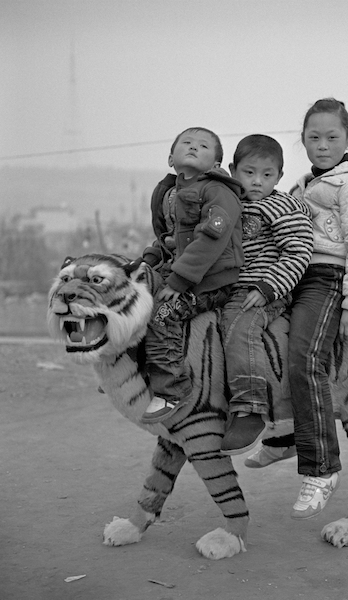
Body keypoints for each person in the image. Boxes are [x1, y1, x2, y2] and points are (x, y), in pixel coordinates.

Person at [286, 98, 348, 519]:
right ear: (302, 140)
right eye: (313, 137)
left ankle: (321, 468)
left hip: (328, 278)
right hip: (293, 276)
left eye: (332, 137)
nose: (322, 145)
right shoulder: (301, 184)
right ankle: (276, 439)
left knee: (305, 360)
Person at [140, 127, 244, 424]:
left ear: (216, 165)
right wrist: (148, 261)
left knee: (163, 313)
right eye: (186, 143)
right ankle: (133, 369)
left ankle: (172, 389)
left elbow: (212, 237)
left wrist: (180, 279)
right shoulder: (170, 194)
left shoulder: (218, 191)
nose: (193, 147)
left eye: (203, 146)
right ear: (171, 158)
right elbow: (169, 238)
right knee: (131, 297)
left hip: (212, 281)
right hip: (178, 271)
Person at [220, 135, 313, 455]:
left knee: (240, 328)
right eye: (249, 172)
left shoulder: (281, 206)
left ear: (279, 177)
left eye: (267, 175)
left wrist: (268, 288)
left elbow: (298, 251)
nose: (257, 181)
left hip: (263, 289)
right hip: (229, 287)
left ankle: (250, 408)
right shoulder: (228, 204)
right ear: (233, 170)